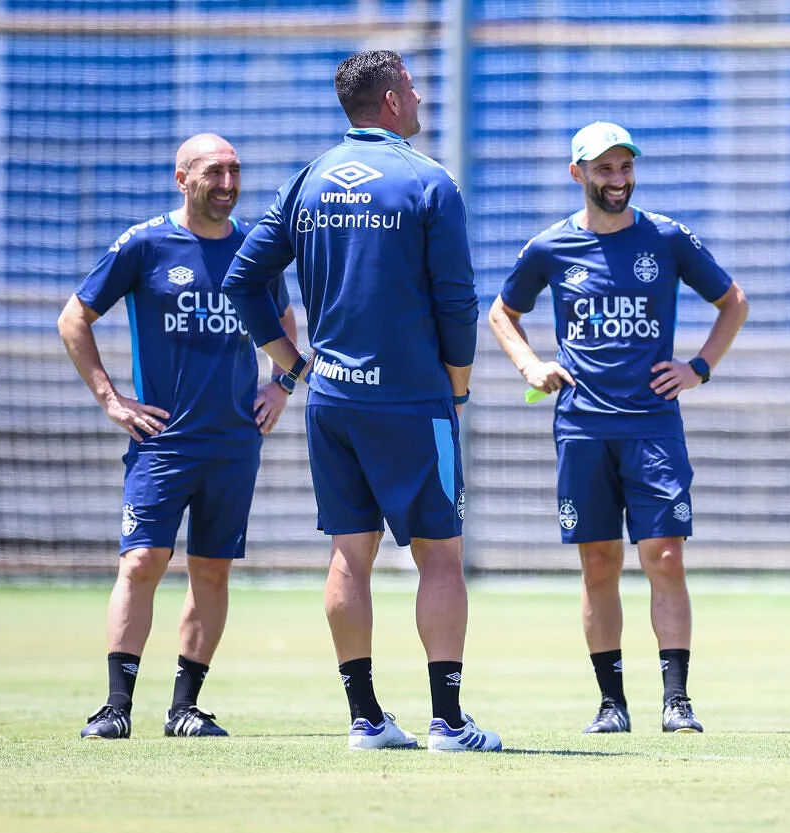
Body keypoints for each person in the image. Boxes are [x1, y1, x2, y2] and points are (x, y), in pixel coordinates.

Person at [221, 50, 501, 753]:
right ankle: (448, 721)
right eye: (409, 84)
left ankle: (366, 719)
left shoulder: (309, 179)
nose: (418, 92)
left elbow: (242, 278)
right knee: (440, 554)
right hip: (411, 399)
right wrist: (458, 386)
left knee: (350, 554)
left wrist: (291, 363)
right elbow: (458, 299)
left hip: (332, 401)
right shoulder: (428, 180)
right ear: (388, 101)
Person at [488, 122, 749, 734]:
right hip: (581, 427)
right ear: (577, 174)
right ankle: (611, 703)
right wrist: (530, 363)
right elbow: (502, 311)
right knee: (599, 563)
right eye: (603, 169)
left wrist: (699, 368)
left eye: (625, 168)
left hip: (653, 426)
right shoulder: (550, 247)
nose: (617, 180)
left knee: (663, 557)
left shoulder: (666, 237)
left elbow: (733, 301)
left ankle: (677, 700)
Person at [58, 133, 295, 740]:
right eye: (214, 172)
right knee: (141, 562)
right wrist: (112, 401)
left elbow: (284, 320)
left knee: (211, 571)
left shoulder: (254, 247)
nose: (228, 184)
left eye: (235, 172)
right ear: (182, 178)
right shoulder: (145, 244)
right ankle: (115, 707)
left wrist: (281, 384)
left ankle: (185, 708)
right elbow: (73, 318)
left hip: (234, 445)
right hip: (163, 443)